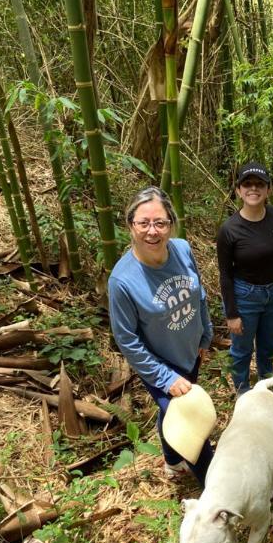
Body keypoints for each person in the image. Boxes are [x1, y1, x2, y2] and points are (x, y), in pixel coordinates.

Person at [108, 186, 213, 486]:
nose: (152, 231)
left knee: (170, 412)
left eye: (160, 223)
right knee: (191, 423)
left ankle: (171, 461)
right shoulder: (122, 281)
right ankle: (217, 487)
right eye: (143, 223)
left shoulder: (182, 249)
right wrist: (165, 378)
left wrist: (205, 336)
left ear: (171, 224)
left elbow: (198, 294)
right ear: (130, 225)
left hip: (190, 350)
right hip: (160, 363)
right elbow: (127, 339)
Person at [217, 162, 273, 394]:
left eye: (259, 184)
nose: (253, 189)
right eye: (247, 184)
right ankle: (243, 391)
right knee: (242, 349)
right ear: (238, 190)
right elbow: (225, 275)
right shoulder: (229, 229)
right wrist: (232, 314)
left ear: (268, 189)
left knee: (268, 345)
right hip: (246, 295)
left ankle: (265, 383)